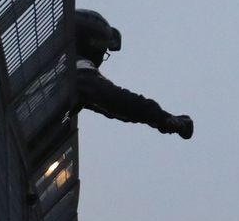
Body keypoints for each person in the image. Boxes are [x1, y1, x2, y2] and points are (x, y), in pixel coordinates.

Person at [74, 9, 195, 139]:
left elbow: (110, 106)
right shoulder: (75, 65)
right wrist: (161, 117)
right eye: (102, 51)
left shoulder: (57, 65)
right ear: (90, 45)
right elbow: (112, 98)